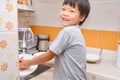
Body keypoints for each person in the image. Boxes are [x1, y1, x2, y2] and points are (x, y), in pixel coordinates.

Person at [19, 0, 90, 80]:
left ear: (82, 17)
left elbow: (48, 56)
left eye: (72, 11)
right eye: (63, 9)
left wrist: (27, 63)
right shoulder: (76, 31)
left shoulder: (68, 31)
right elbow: (59, 62)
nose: (65, 13)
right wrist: (30, 60)